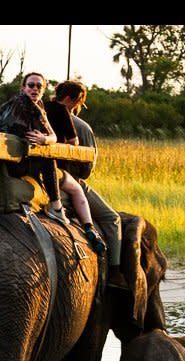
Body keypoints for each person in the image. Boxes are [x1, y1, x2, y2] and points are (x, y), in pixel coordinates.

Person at [0, 72, 105, 254]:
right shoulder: (27, 107)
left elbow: (51, 135)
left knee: (46, 156)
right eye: (31, 85)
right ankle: (59, 207)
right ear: (24, 87)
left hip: (14, 161)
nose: (34, 89)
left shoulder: (34, 107)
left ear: (44, 90)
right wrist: (46, 140)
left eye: (38, 86)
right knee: (52, 163)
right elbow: (64, 141)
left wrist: (45, 139)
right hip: (20, 163)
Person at [45, 79, 127, 289]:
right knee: (112, 218)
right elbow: (86, 171)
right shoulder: (80, 126)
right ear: (75, 99)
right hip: (65, 179)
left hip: (34, 178)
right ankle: (115, 273)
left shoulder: (39, 114)